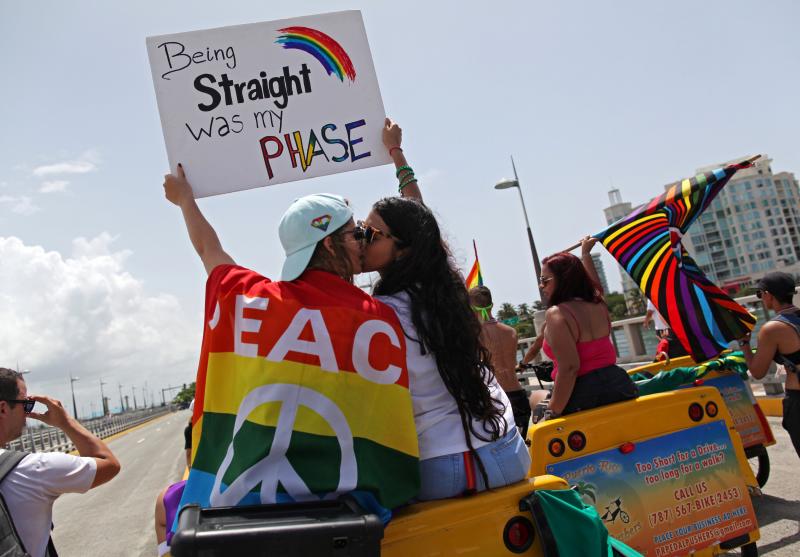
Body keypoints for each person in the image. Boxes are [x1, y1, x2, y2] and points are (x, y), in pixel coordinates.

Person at [358, 121, 530, 500]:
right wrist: (396, 153)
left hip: (438, 467)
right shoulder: (451, 290)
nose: (361, 239)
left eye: (369, 233)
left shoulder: (376, 312)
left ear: (401, 248)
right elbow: (419, 219)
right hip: (507, 449)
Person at [0, 368, 121, 557]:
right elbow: (109, 464)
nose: (28, 413)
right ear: (3, 408)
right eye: (26, 404)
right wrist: (66, 422)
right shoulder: (33, 469)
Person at [529, 239, 638, 420]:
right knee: (538, 397)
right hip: (619, 384)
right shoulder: (598, 305)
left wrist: (553, 412)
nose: (541, 286)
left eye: (544, 280)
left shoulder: (557, 314)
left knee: (534, 397)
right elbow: (596, 286)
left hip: (582, 392)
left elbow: (570, 368)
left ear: (563, 280)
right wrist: (586, 254)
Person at [739, 272, 800, 459]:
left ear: (768, 295)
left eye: (759, 294)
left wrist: (744, 343)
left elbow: (757, 372)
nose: (761, 298)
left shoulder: (772, 329)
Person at [469, 286, 532, 438]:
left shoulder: (475, 335)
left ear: (471, 307)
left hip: (496, 399)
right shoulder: (511, 332)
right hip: (518, 395)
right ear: (492, 304)